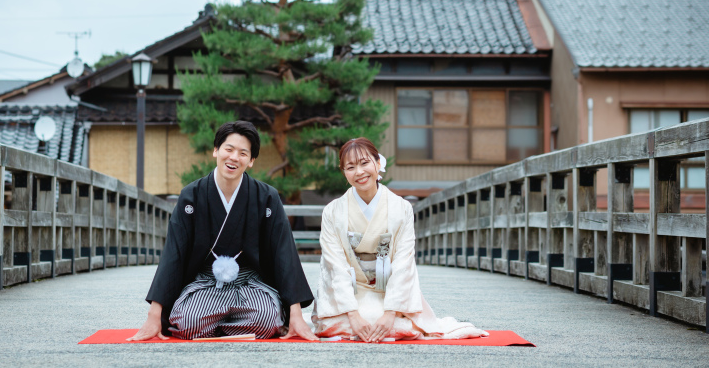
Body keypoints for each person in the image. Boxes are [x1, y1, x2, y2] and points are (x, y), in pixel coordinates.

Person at [129, 121, 317, 341]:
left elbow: (284, 254)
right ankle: (234, 328)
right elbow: (174, 254)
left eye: (243, 153)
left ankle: (216, 326)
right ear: (216, 150)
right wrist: (154, 314)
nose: (234, 157)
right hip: (206, 282)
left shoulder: (266, 197)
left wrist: (295, 314)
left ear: (252, 160)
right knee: (187, 323)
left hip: (250, 284)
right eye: (228, 149)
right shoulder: (192, 195)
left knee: (268, 320)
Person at [311, 137, 488, 342]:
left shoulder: (401, 208)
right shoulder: (333, 211)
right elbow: (335, 265)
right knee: (344, 321)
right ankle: (375, 324)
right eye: (350, 167)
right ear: (344, 173)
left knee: (378, 320)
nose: (359, 172)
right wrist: (352, 313)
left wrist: (390, 312)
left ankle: (385, 322)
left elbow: (404, 263)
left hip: (387, 292)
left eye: (365, 163)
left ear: (378, 164)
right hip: (350, 292)